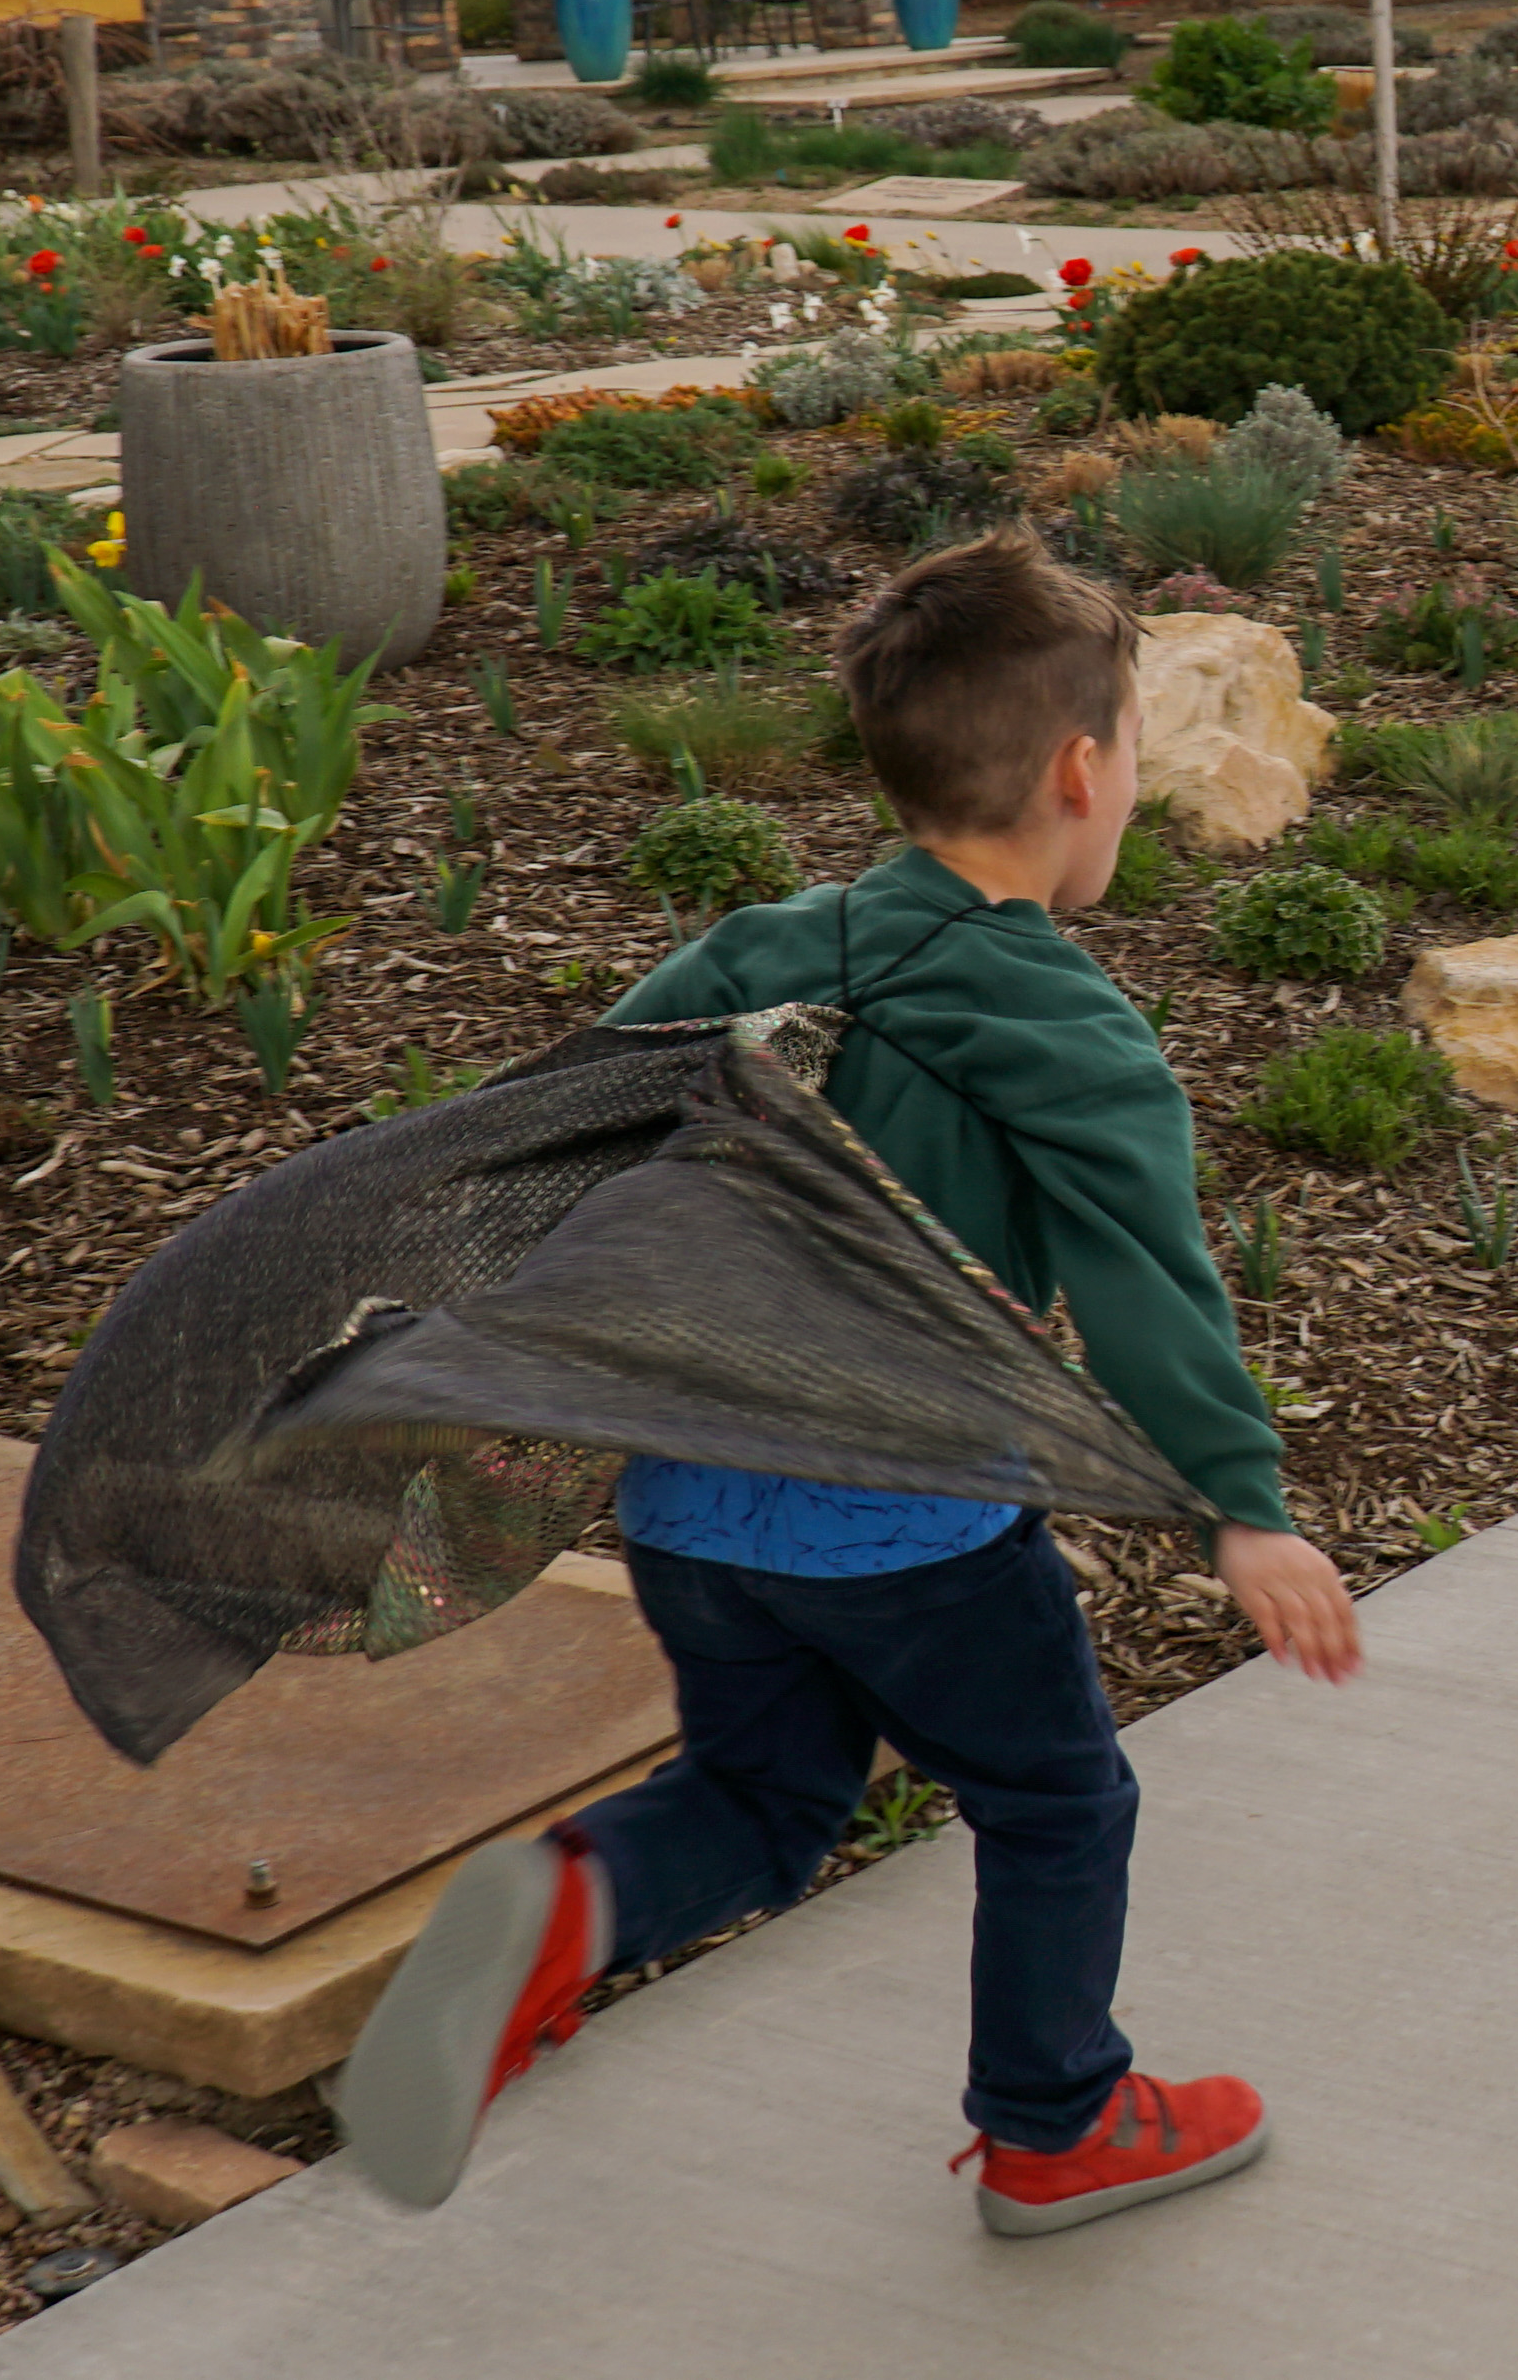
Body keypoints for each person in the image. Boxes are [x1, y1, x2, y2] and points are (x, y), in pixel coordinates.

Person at [339, 531, 1365, 2235]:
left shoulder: (762, 946)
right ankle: (1056, 2122)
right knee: (1057, 1796)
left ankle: (570, 1903)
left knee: (763, 1799)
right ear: (1082, 770)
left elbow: (570, 1126)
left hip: (690, 1504)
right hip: (920, 1529)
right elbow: (1144, 1286)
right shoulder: (1067, 1026)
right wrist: (1240, 1512)